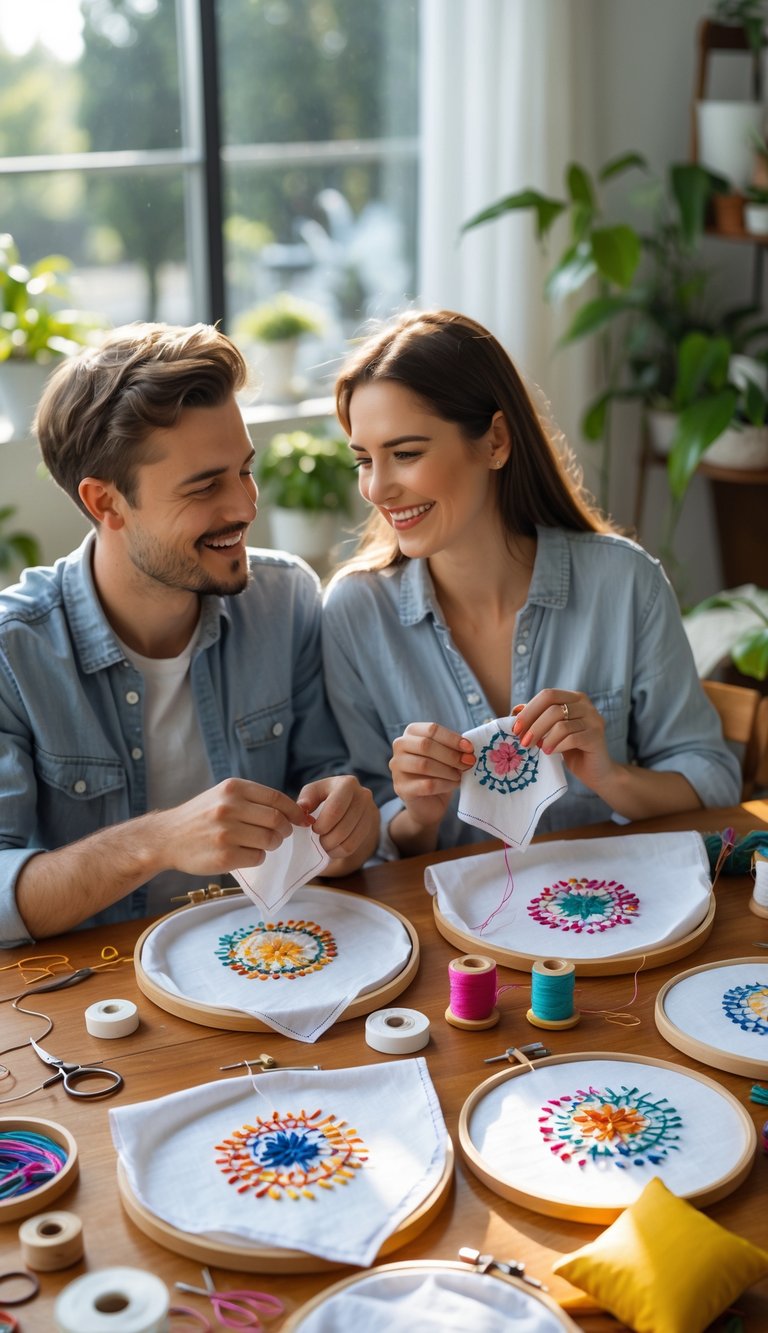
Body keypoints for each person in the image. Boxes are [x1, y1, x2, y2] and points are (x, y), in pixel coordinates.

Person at [0, 322, 378, 947]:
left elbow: (337, 815)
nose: (246, 506)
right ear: (106, 502)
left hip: (279, 956)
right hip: (97, 999)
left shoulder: (285, 601)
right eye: (205, 485)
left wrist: (349, 830)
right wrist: (159, 840)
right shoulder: (14, 651)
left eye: (245, 470)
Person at [322, 308, 741, 858]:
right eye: (364, 460)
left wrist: (609, 776)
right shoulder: (354, 612)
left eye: (405, 454)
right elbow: (364, 839)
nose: (377, 488)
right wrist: (417, 815)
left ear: (495, 440)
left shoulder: (625, 583)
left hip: (614, 920)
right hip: (453, 934)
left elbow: (712, 780)